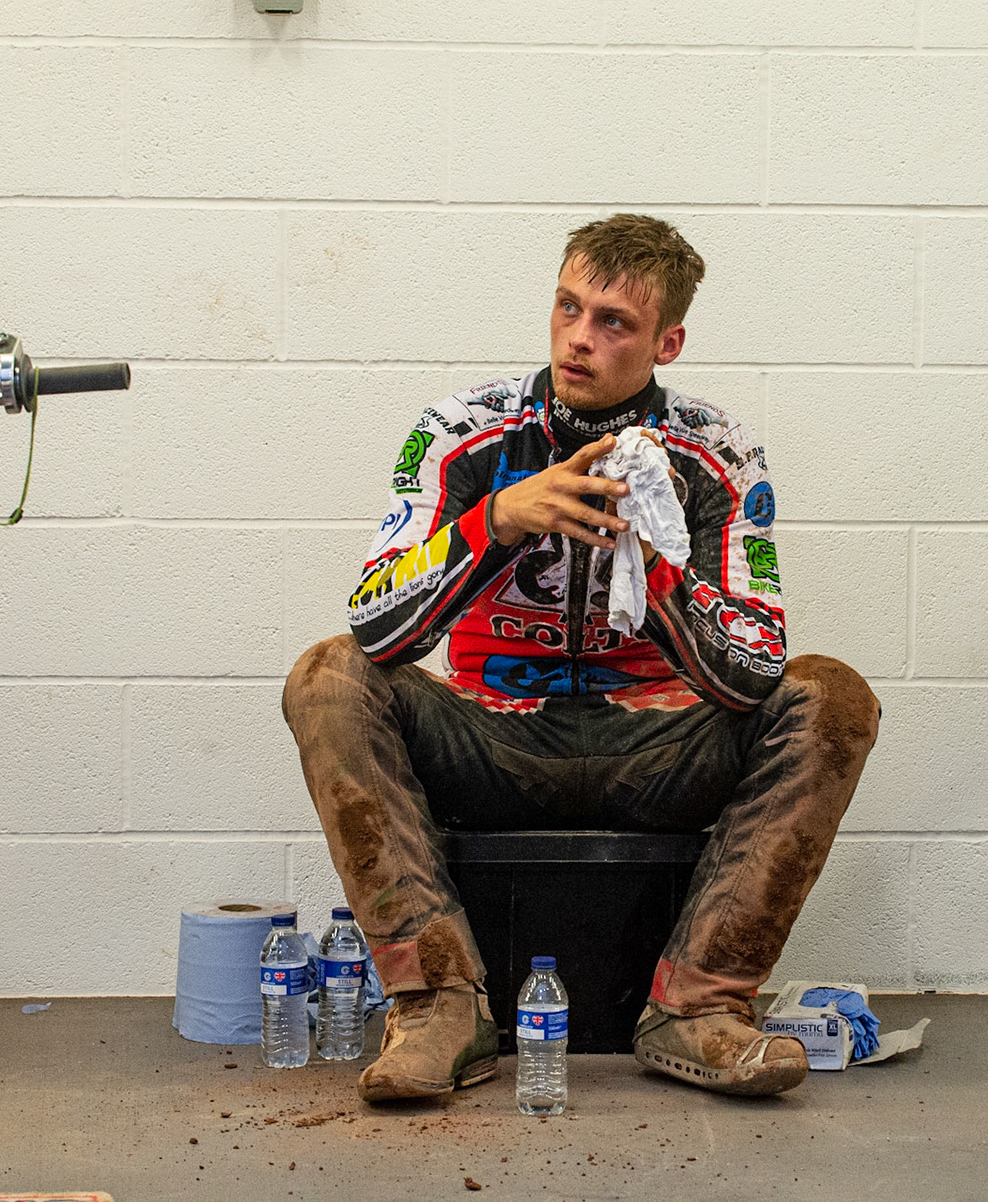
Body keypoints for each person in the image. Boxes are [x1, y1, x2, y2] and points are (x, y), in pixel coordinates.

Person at [282, 214, 880, 1102]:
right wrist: (500, 520)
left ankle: (699, 1006)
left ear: (666, 342)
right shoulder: (464, 431)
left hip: (659, 744)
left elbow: (751, 672)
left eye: (614, 323)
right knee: (326, 674)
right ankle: (440, 1007)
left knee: (831, 695)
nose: (578, 338)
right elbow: (380, 629)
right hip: (496, 738)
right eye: (568, 307)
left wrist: (656, 557)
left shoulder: (720, 452)